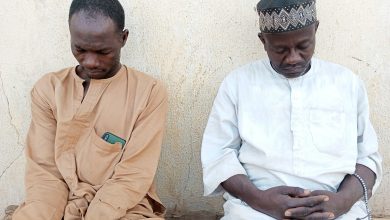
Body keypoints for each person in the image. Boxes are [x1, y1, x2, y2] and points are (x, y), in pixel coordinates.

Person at [201, 0, 382, 219]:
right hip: (255, 210)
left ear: (315, 30)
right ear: (263, 41)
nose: (293, 58)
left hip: (338, 210)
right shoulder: (238, 83)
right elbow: (218, 154)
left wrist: (342, 202)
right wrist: (259, 199)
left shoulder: (347, 83)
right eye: (280, 50)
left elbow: (368, 158)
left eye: (303, 46)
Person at [11, 0, 167, 219]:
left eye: (103, 51)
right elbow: (45, 172)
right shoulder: (48, 89)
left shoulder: (148, 92)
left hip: (122, 205)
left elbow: (133, 175)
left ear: (123, 38)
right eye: (80, 49)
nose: (91, 62)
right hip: (57, 199)